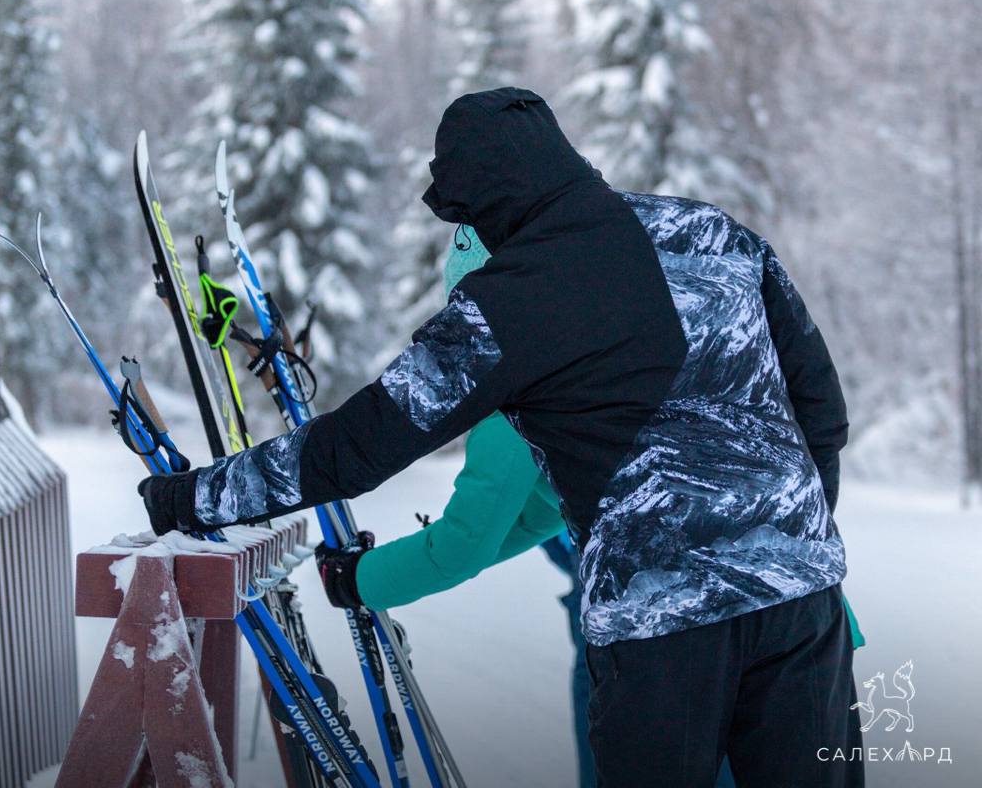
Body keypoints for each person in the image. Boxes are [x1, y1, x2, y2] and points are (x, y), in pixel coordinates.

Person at [140, 87, 863, 787]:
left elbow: (355, 447)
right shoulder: (711, 231)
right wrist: (786, 534)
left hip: (661, 623)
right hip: (803, 601)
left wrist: (192, 497)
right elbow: (822, 411)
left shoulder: (509, 301)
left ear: (481, 199)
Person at [349, 225, 596, 787]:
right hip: (769, 594)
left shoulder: (517, 385)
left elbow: (465, 545)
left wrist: (359, 579)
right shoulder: (585, 344)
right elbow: (546, 513)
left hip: (665, 612)